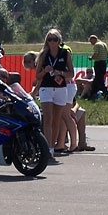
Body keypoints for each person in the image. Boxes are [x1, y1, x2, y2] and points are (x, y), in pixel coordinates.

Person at [34, 29, 73, 158]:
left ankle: (52, 146)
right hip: (46, 88)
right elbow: (37, 76)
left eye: (55, 39)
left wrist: (60, 73)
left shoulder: (65, 53)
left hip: (61, 88)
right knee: (48, 119)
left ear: (59, 40)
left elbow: (71, 73)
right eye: (49, 39)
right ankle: (48, 149)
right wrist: (45, 71)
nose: (52, 42)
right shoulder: (44, 54)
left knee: (57, 120)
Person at [88, 35, 108, 100]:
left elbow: (96, 54)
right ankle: (92, 94)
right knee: (97, 80)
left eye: (91, 41)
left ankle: (106, 94)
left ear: (93, 39)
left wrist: (91, 58)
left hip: (98, 63)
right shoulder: (104, 44)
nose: (91, 43)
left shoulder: (96, 45)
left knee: (99, 80)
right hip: (104, 63)